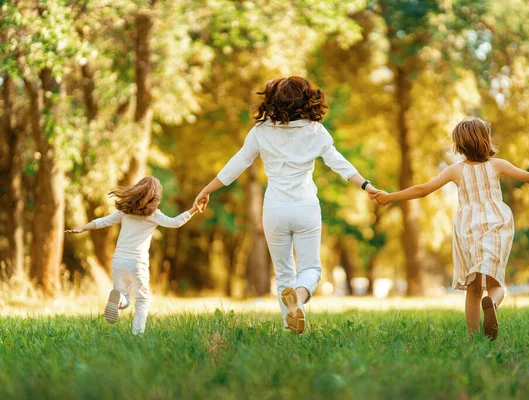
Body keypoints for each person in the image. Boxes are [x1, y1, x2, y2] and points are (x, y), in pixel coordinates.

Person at [374, 117, 529, 340]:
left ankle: (473, 336)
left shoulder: (454, 171)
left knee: (473, 287)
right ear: (486, 140)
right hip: (496, 223)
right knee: (496, 283)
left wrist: (390, 196)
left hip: (467, 227)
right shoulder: (497, 165)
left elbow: (422, 190)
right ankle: (493, 303)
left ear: (459, 146)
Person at [194, 77, 381, 334]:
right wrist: (367, 186)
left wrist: (206, 190)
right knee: (311, 269)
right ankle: (300, 300)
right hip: (305, 207)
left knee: (283, 273)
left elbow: (236, 165)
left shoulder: (261, 131)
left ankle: (291, 327)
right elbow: (339, 163)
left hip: (274, 209)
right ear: (306, 100)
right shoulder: (315, 130)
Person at [66, 176, 202, 334]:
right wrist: (193, 209)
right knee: (142, 300)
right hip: (137, 263)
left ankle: (119, 299)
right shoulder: (154, 215)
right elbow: (175, 222)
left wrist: (82, 228)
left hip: (118, 261)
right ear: (155, 197)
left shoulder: (124, 213)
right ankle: (137, 335)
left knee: (124, 299)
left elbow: (103, 221)